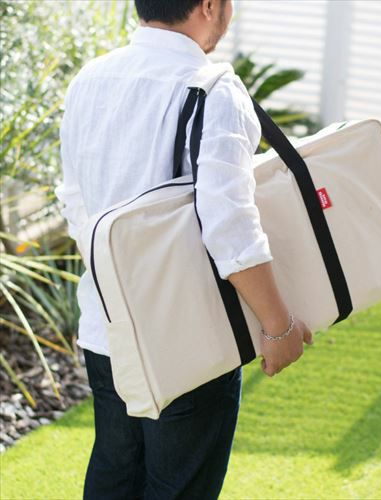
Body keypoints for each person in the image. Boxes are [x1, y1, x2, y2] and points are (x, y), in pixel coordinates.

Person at [55, 0, 313, 498]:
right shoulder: (214, 89)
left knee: (115, 475)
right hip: (187, 338)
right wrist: (278, 326)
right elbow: (229, 224)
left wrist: (120, 279)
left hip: (107, 327)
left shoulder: (90, 79)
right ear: (210, 6)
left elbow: (73, 200)